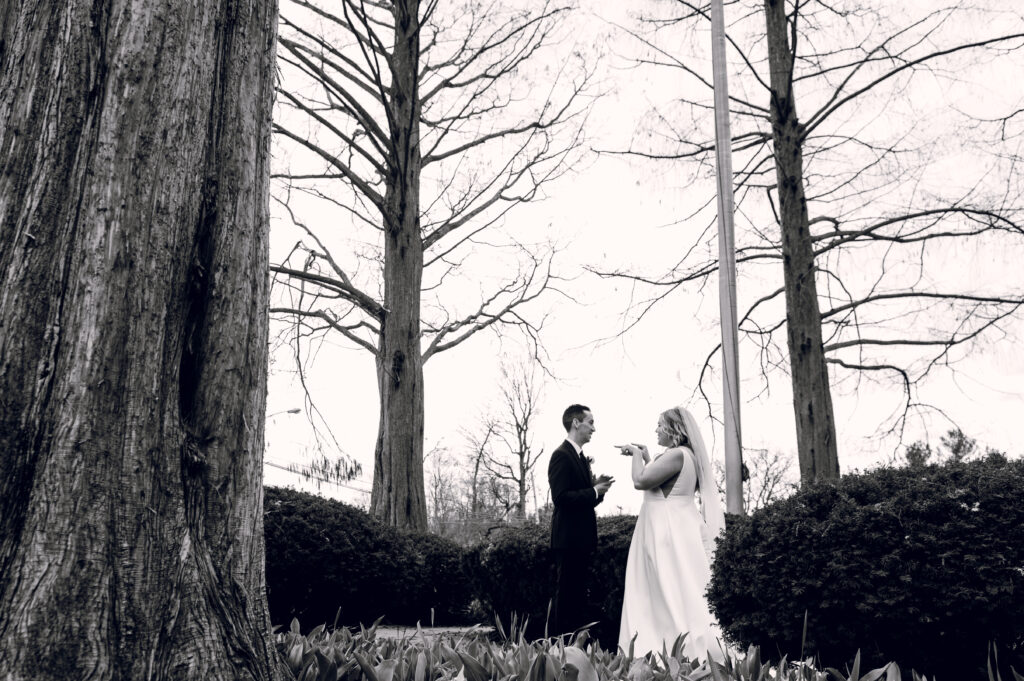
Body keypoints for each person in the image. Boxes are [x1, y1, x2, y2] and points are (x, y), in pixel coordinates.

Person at [616, 406, 726, 660]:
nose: (656, 430)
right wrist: (648, 458)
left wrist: (635, 455)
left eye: (659, 425)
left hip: (664, 530)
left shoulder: (676, 454)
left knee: (665, 588)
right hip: (677, 525)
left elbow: (641, 481)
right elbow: (665, 486)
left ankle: (667, 648)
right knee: (675, 587)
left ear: (673, 429)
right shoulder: (687, 455)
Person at [548, 404, 614, 637]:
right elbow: (561, 498)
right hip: (568, 540)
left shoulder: (581, 457)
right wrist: (593, 491)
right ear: (576, 423)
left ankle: (574, 648)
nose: (594, 429)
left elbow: (582, 500)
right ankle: (559, 647)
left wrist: (598, 489)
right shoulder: (561, 455)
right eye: (590, 422)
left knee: (576, 598)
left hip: (582, 540)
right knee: (566, 597)